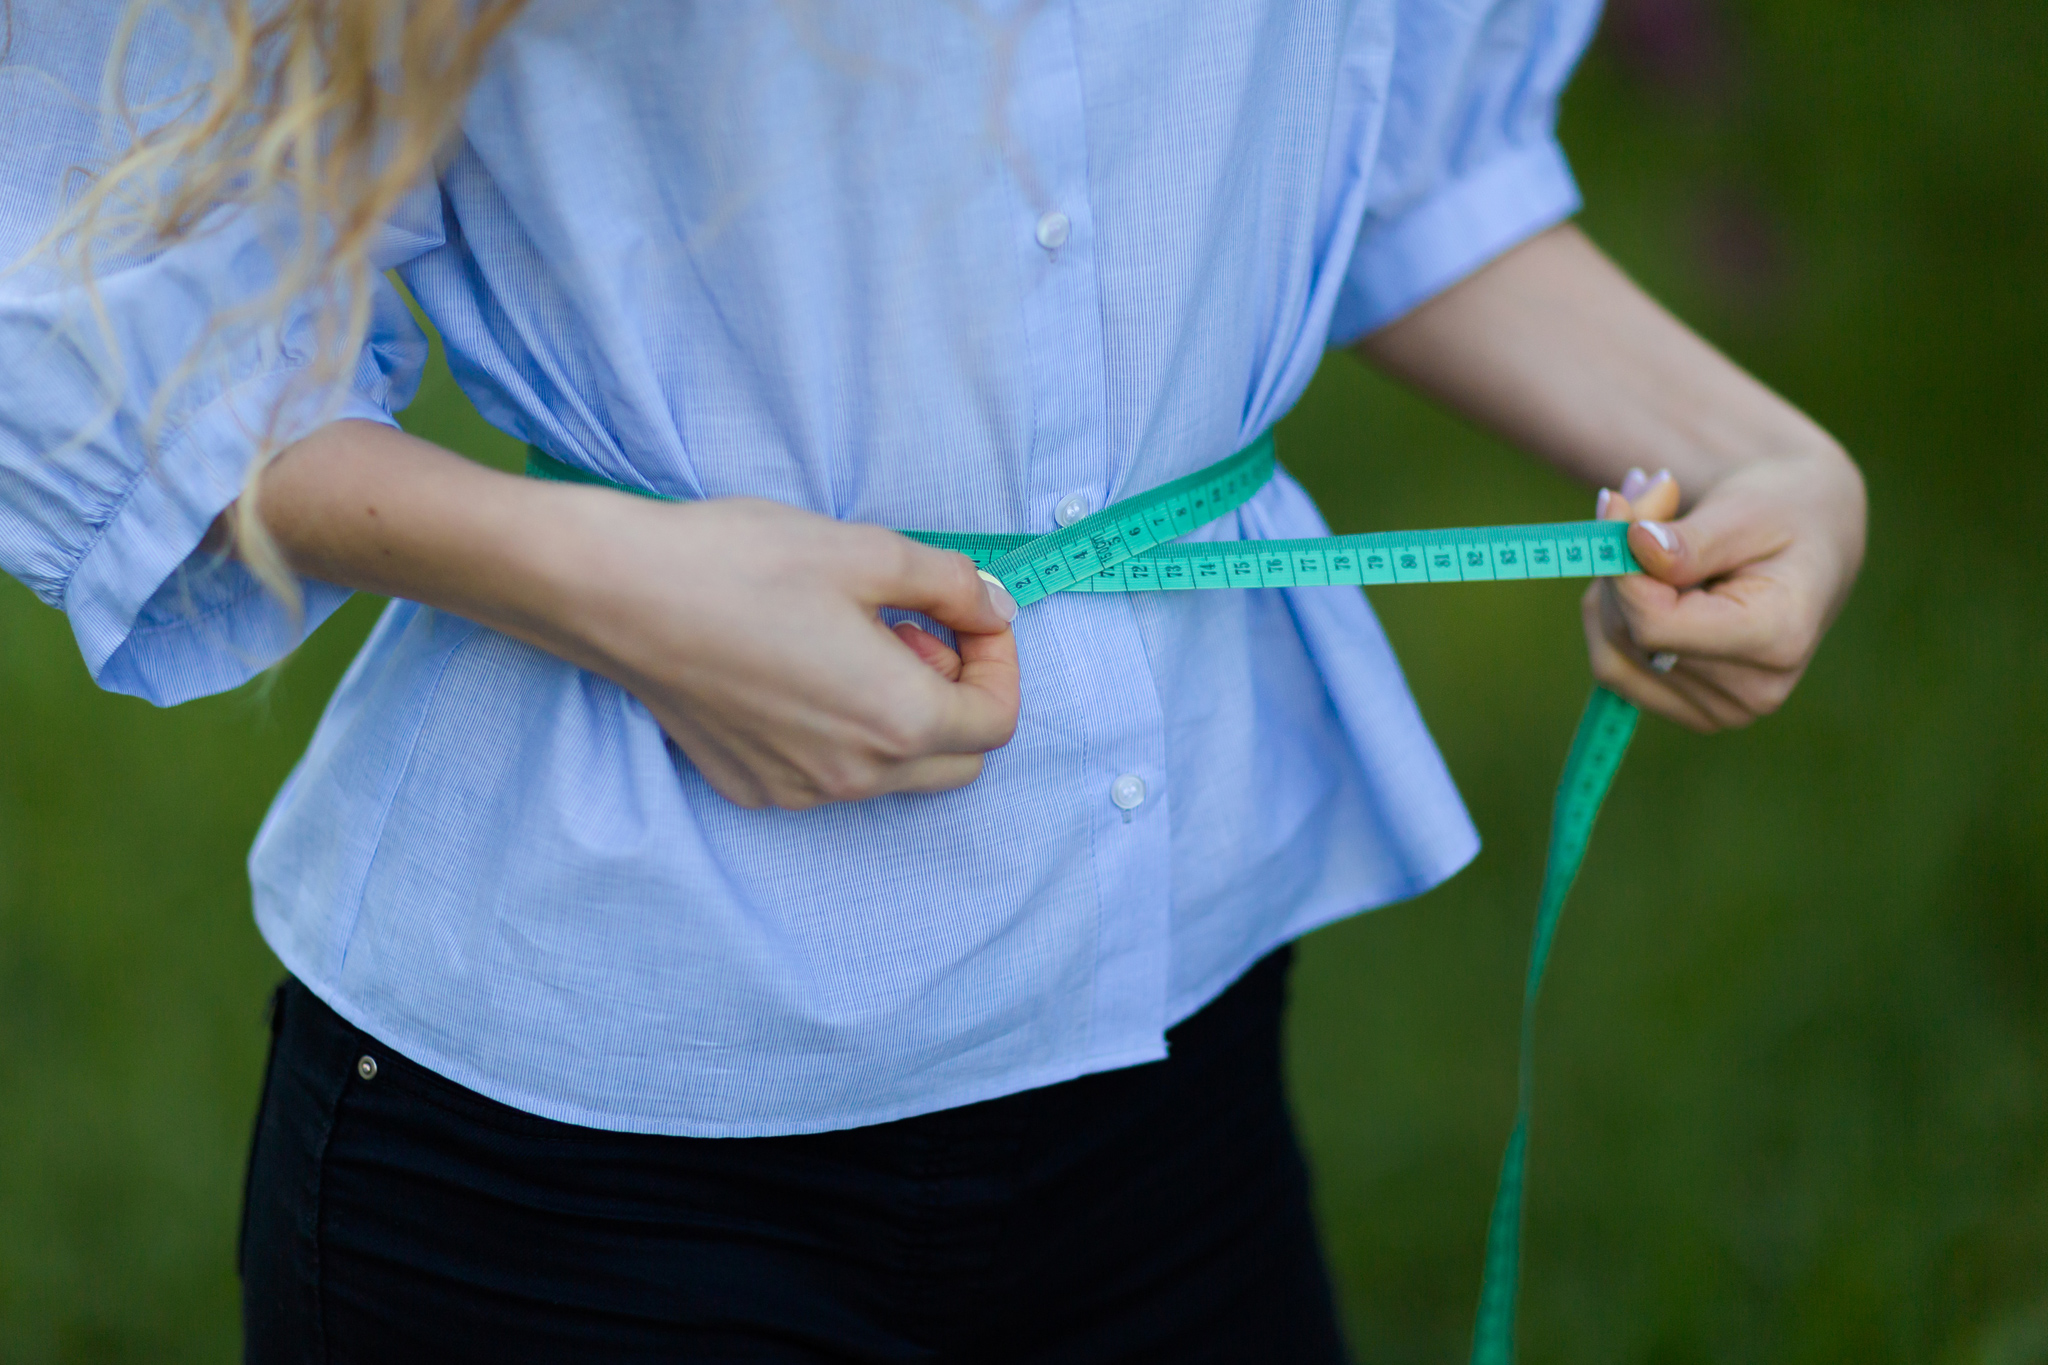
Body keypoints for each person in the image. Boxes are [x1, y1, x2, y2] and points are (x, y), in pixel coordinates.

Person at [0, 1, 1866, 1360]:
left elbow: (1375, 152)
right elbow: (88, 271)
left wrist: (1747, 449)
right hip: (577, 1160)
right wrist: (613, 577)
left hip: (1176, 1065)